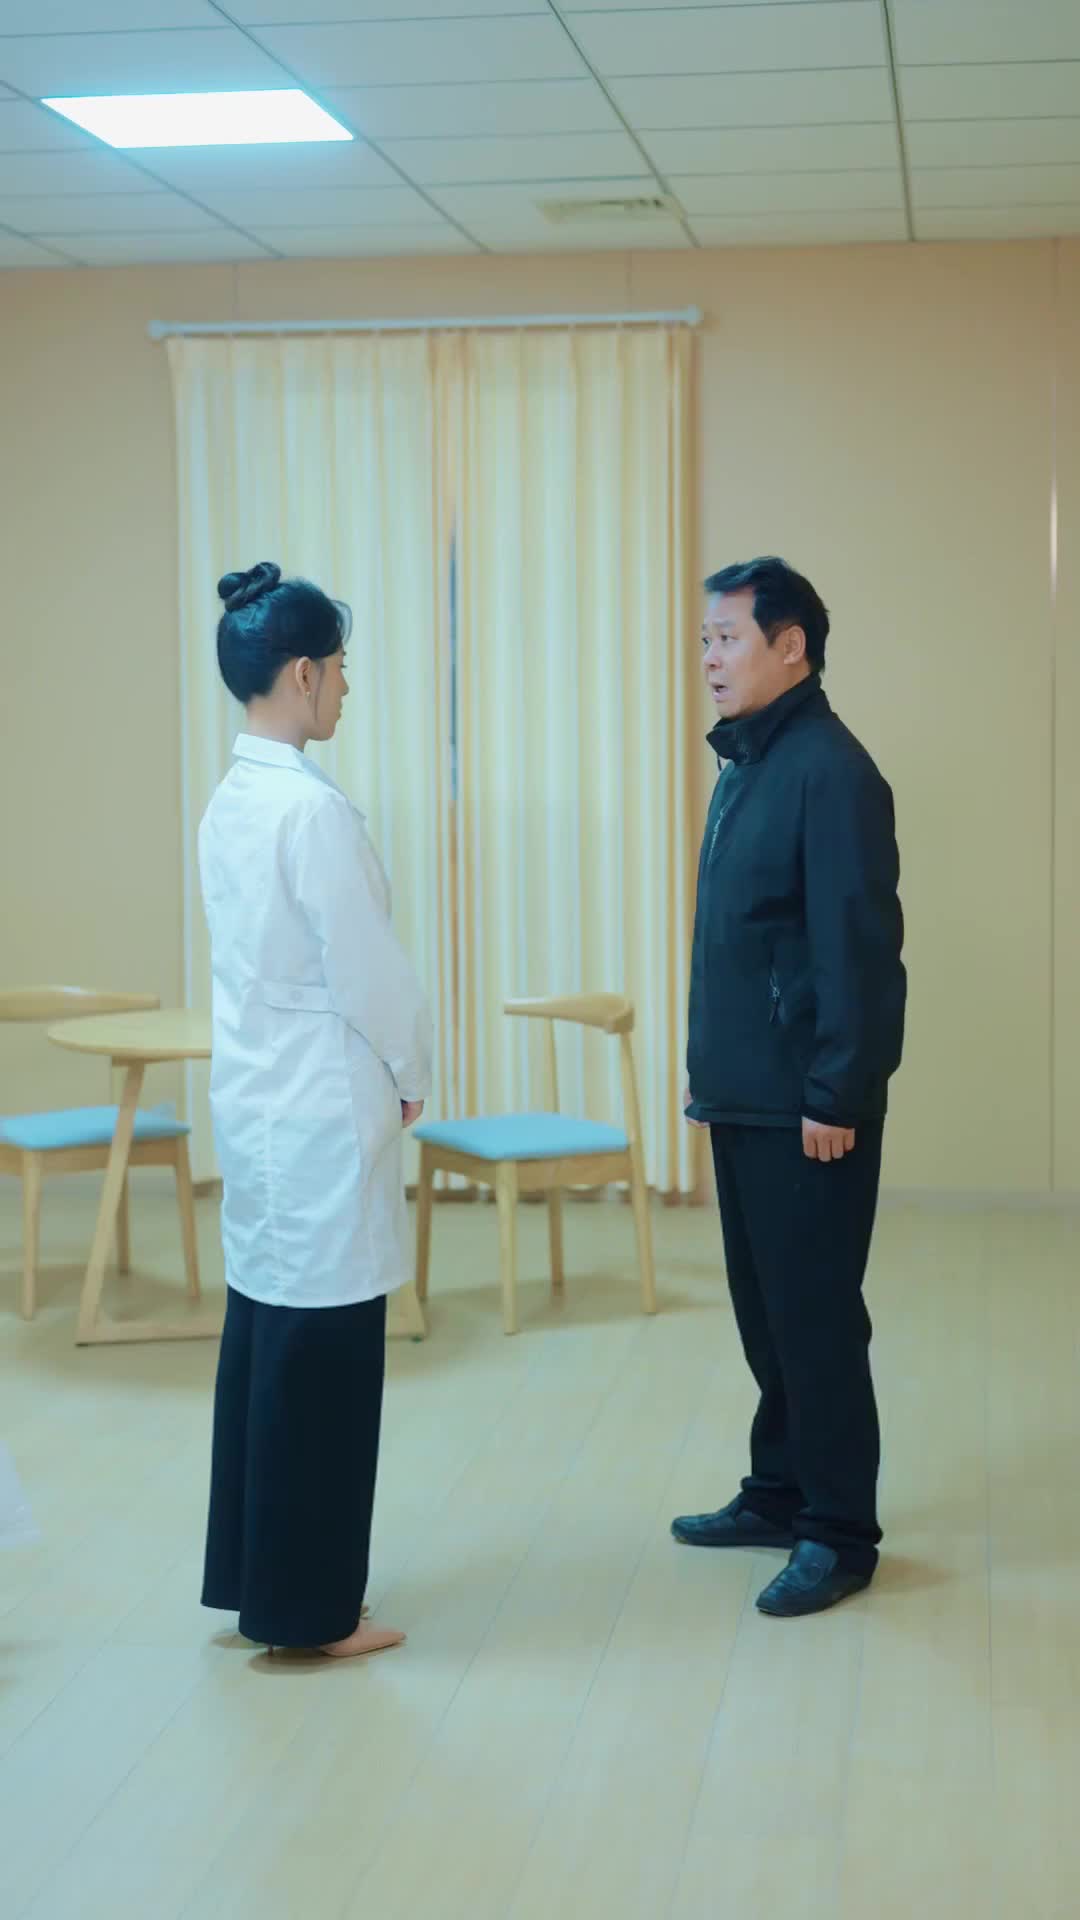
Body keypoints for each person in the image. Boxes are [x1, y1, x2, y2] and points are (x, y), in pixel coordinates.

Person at [198, 561, 432, 1659]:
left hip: (259, 1098)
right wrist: (411, 1066)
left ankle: (256, 1579)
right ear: (301, 674)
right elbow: (368, 970)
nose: (345, 687)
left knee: (264, 1344)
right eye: (339, 668)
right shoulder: (311, 810)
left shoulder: (232, 799)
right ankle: (312, 1611)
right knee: (325, 1367)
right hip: (319, 1107)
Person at [673, 557, 905, 1618]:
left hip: (807, 1106)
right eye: (706, 640)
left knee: (814, 1321)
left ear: (790, 646)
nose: (711, 658)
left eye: (727, 638)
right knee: (766, 1314)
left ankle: (839, 1532)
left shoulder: (831, 771)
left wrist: (837, 1094)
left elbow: (859, 953)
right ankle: (778, 1491)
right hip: (747, 1091)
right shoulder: (751, 760)